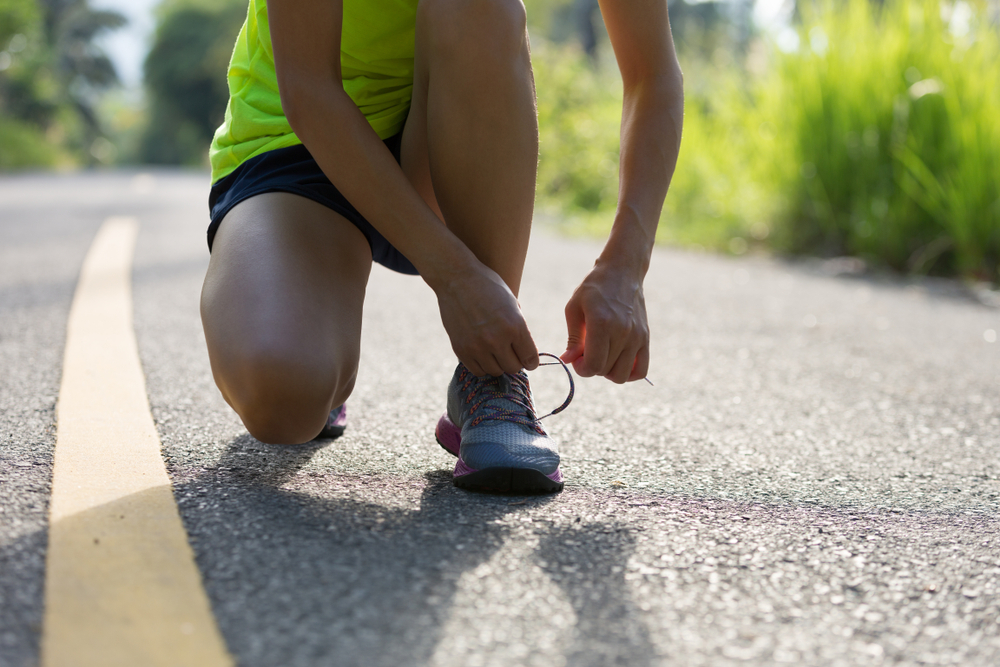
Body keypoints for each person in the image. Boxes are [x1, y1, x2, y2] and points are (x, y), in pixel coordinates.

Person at [200, 0, 683, 494]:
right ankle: (322, 339)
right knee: (283, 395)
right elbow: (309, 87)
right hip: (300, 145)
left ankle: (491, 378)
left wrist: (625, 267)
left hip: (442, 140)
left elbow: (652, 76)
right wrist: (455, 278)